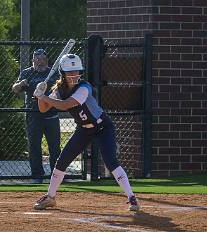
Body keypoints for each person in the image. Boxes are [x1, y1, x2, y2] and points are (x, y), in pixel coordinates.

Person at [32, 54, 140, 211]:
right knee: (62, 160)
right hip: (84, 129)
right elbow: (43, 109)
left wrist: (44, 97)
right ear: (63, 73)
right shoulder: (59, 90)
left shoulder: (84, 87)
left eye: (76, 71)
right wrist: (41, 95)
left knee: (110, 161)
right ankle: (50, 197)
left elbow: (65, 105)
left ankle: (132, 197)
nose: (74, 75)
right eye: (70, 72)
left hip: (103, 127)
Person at [12, 49, 61, 183]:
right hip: (33, 115)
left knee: (55, 146)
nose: (39, 61)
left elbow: (63, 89)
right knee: (34, 146)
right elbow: (15, 89)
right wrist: (21, 84)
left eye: (42, 59)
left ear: (46, 60)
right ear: (33, 60)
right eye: (36, 59)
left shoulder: (54, 73)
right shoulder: (27, 72)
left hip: (51, 114)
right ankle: (37, 175)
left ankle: (56, 175)